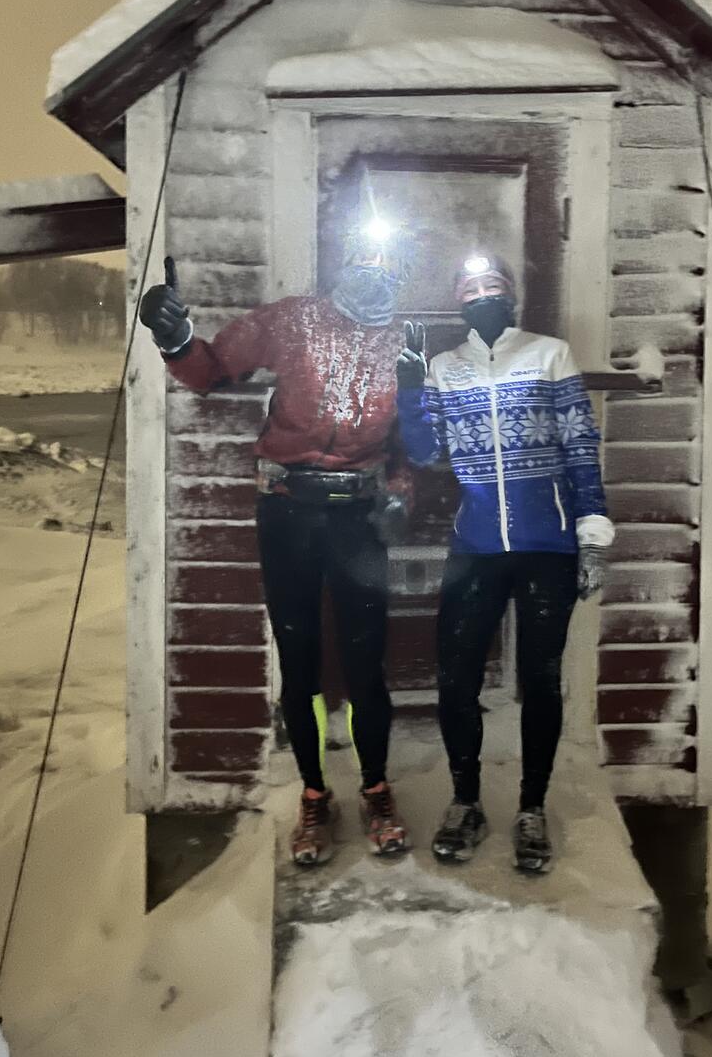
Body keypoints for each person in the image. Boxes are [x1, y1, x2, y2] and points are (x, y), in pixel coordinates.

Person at [139, 222, 414, 867]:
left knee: (366, 661)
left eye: (387, 262)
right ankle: (315, 795)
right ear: (343, 261)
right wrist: (173, 335)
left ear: (402, 273)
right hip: (288, 512)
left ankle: (376, 790)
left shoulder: (406, 342)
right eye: (363, 257)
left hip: (359, 520)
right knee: (300, 659)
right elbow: (208, 372)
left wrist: (401, 493)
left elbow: (409, 439)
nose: (373, 271)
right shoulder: (293, 320)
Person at [396, 253, 613, 874]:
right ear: (457, 302)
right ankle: (465, 802)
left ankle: (532, 809)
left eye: (493, 285)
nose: (482, 294)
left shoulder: (549, 354)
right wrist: (411, 387)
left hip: (550, 546)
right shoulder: (446, 366)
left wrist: (592, 537)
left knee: (540, 679)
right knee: (456, 678)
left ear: (512, 295)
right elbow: (425, 451)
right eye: (470, 287)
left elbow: (581, 445)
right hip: (476, 547)